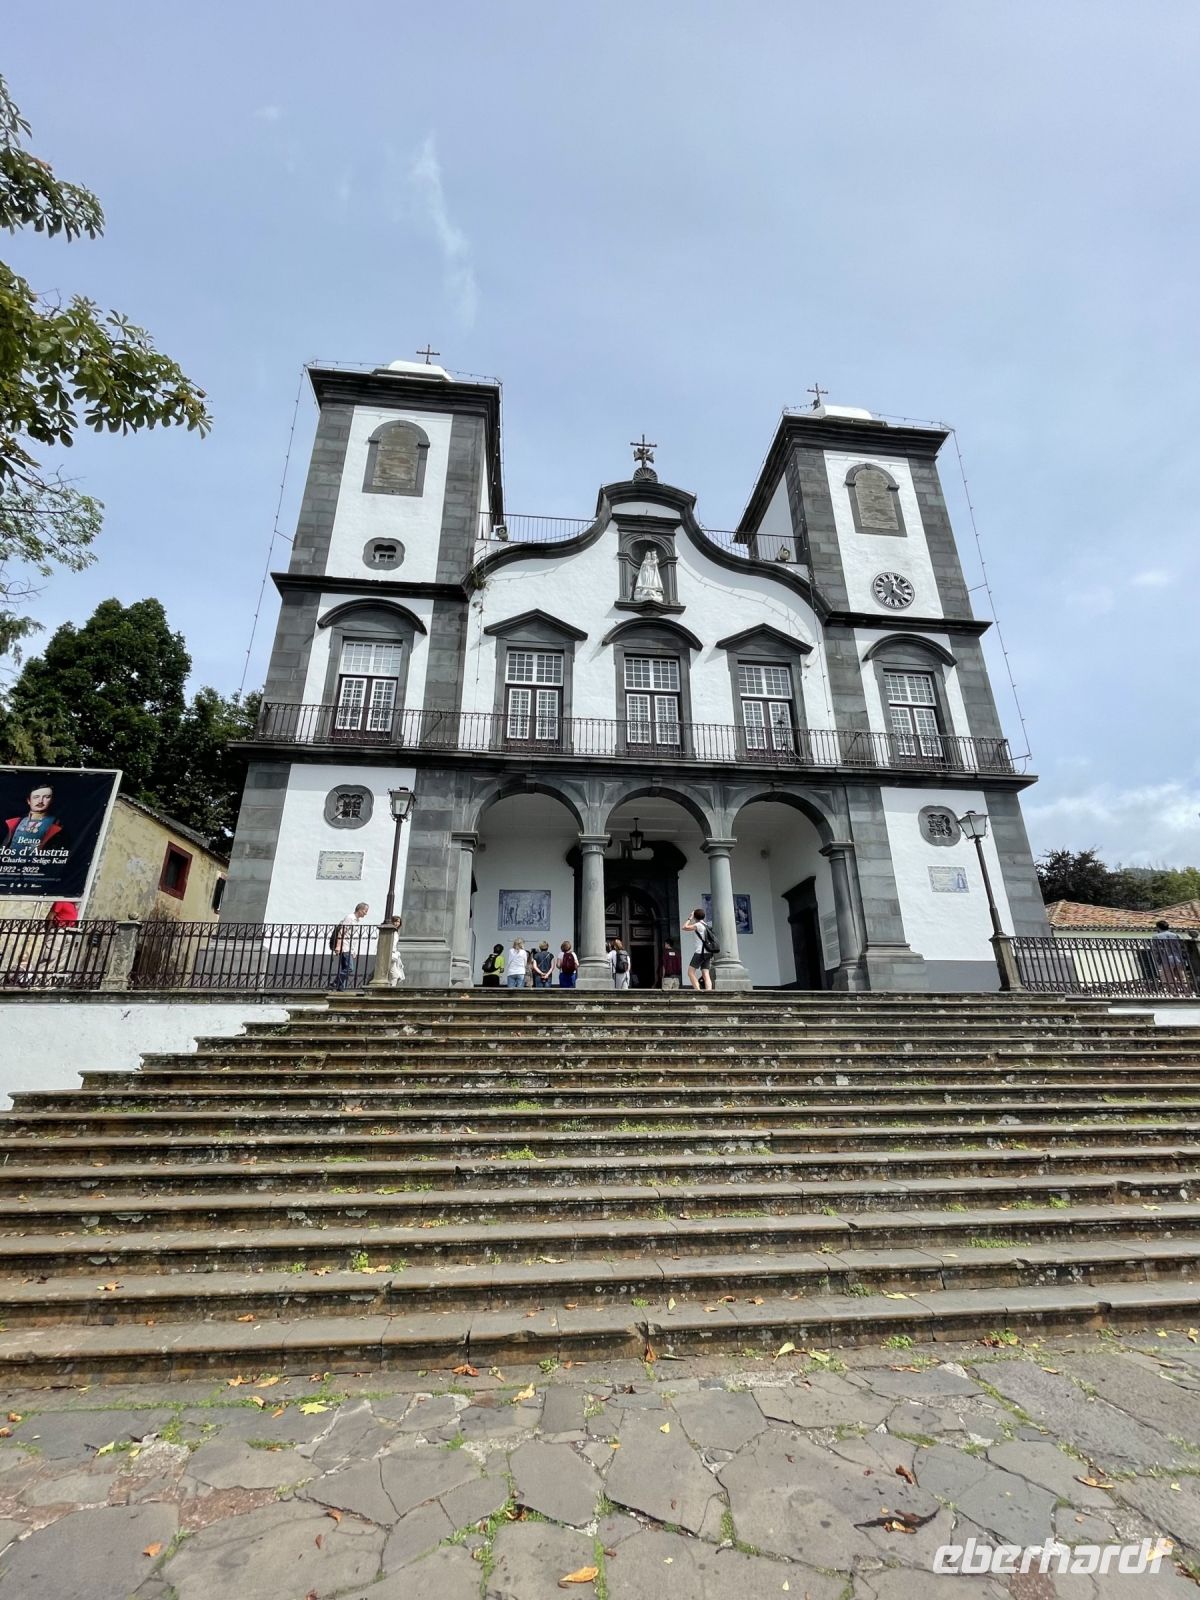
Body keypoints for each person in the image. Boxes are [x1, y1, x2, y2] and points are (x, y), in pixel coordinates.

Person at [3, 782, 70, 854]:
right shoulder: (16, 822)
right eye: (36, 797)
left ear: (51, 800)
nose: (40, 801)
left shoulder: (57, 824)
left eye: (46, 797)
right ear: (29, 800)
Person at [331, 902, 369, 991]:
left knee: (345, 968)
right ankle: (335, 983)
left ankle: (340, 988)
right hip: (345, 946)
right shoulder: (350, 918)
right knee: (349, 968)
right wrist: (338, 946)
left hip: (349, 947)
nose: (366, 913)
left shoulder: (356, 920)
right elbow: (342, 932)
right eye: (365, 911)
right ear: (360, 910)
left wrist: (353, 951)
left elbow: (352, 936)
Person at [1152, 919, 1190, 994]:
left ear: (1158, 927)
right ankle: (1187, 993)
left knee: (1168, 979)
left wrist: (1158, 961)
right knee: (1182, 978)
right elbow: (1183, 948)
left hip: (1165, 960)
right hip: (1178, 959)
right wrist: (1185, 959)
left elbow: (1156, 950)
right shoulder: (1176, 935)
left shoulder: (1156, 937)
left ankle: (1174, 994)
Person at [683, 906, 715, 992]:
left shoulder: (698, 925)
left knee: (690, 972)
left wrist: (689, 918)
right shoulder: (706, 925)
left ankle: (698, 990)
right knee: (705, 973)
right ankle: (709, 992)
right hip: (708, 952)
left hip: (700, 952)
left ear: (695, 917)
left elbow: (684, 927)